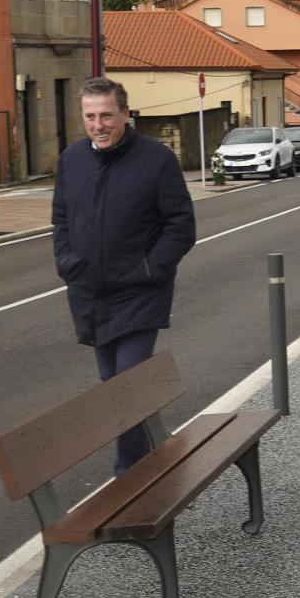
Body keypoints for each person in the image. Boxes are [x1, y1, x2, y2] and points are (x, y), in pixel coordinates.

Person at [52, 76, 196, 474]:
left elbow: (181, 225)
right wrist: (67, 262)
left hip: (139, 295)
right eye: (90, 116)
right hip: (90, 295)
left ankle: (127, 475)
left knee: (125, 388)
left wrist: (150, 269)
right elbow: (61, 218)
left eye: (106, 115)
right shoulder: (72, 160)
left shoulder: (156, 159)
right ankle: (161, 459)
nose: (98, 124)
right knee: (113, 385)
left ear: (125, 115)